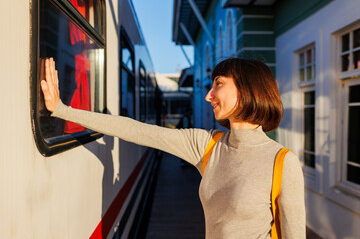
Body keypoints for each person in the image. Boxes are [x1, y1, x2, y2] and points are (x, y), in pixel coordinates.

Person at [41, 57, 305, 239]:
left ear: (247, 89)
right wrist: (63, 110)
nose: (208, 95)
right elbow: (137, 130)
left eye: (219, 84)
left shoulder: (282, 162)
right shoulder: (208, 145)